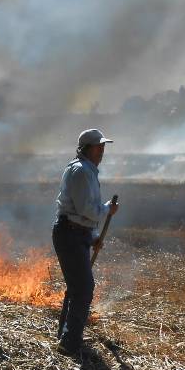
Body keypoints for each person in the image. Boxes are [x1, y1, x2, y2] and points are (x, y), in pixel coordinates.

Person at [53, 128, 119, 355]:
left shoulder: (87, 170)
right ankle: (70, 343)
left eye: (103, 147)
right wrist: (107, 209)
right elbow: (86, 210)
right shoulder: (81, 171)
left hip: (75, 233)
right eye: (98, 147)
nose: (102, 151)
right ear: (87, 148)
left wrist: (91, 238)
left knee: (76, 287)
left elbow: (80, 215)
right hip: (70, 234)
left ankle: (65, 334)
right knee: (84, 288)